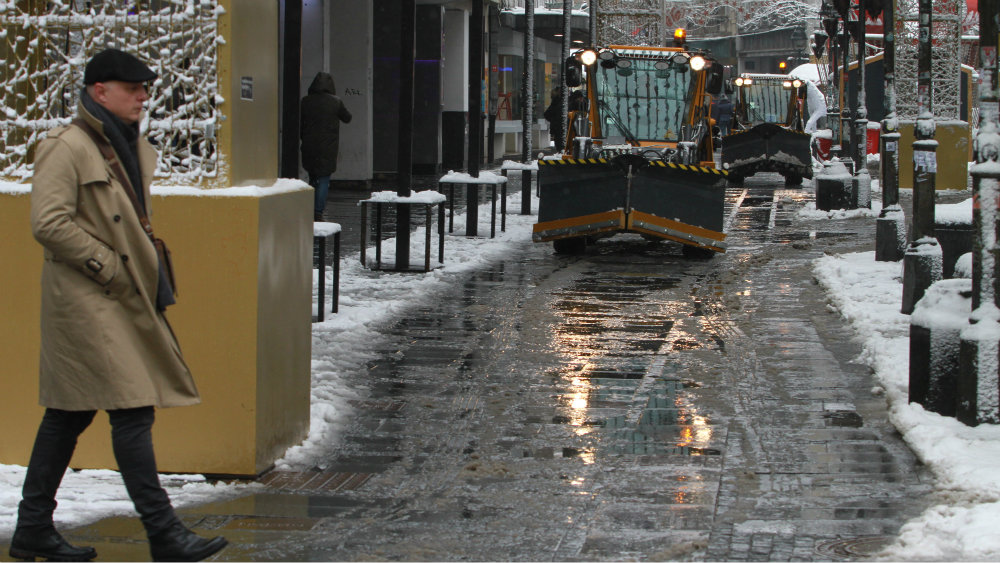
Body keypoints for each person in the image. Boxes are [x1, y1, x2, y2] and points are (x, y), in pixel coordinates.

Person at [12, 48, 228, 563]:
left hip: (116, 298)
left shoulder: (123, 145)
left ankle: (32, 528)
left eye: (146, 89)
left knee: (67, 415)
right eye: (133, 89)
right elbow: (48, 223)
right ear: (99, 91)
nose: (143, 97)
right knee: (132, 409)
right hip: (90, 300)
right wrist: (108, 265)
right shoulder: (66, 147)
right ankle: (163, 534)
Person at [300, 71, 352, 221]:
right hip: (328, 147)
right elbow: (347, 118)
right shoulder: (335, 102)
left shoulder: (305, 101)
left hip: (309, 145)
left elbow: (299, 121)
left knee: (313, 176)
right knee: (324, 179)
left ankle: (310, 207)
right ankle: (318, 211)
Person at [543, 87, 565, 151]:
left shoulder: (556, 102)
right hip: (559, 127)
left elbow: (547, 114)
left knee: (558, 143)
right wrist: (555, 120)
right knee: (560, 143)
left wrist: (553, 120)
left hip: (557, 127)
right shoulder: (558, 102)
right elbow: (547, 114)